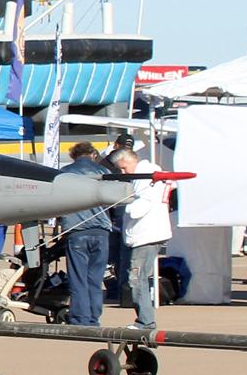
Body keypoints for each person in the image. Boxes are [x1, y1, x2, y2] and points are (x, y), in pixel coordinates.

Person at [114, 149, 172, 331]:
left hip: (146, 235)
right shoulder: (149, 176)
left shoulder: (146, 178)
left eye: (124, 168)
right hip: (148, 234)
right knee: (138, 278)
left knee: (137, 279)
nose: (123, 173)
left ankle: (146, 321)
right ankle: (145, 320)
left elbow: (141, 206)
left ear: (132, 161)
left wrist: (126, 204)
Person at [58, 142, 111, 327]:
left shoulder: (65, 173)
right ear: (92, 154)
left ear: (74, 156)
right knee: (95, 279)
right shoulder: (103, 170)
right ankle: (94, 318)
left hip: (77, 229)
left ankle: (80, 318)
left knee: (78, 279)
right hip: (101, 229)